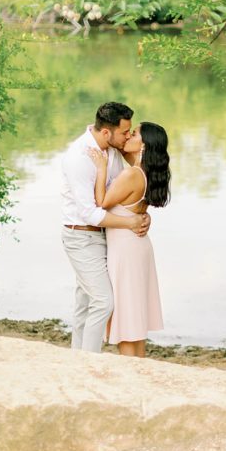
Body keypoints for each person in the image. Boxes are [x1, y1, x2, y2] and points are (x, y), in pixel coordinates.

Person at [61, 102, 150, 352]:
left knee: (85, 302)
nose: (128, 137)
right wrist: (129, 222)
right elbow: (89, 212)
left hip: (104, 236)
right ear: (106, 133)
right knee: (103, 302)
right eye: (124, 132)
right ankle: (90, 361)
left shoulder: (111, 152)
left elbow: (121, 195)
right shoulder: (79, 157)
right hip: (81, 236)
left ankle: (78, 358)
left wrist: (141, 214)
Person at [88, 121, 170, 358]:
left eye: (134, 134)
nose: (128, 136)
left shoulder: (131, 174)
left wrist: (102, 168)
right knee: (136, 318)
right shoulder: (145, 173)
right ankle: (140, 372)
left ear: (143, 145)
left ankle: (131, 376)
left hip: (126, 250)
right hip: (137, 247)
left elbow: (101, 203)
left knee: (126, 318)